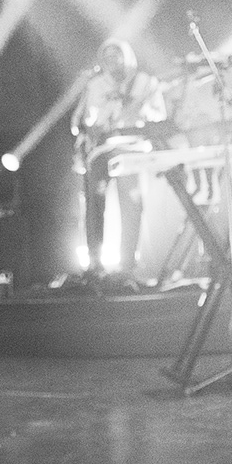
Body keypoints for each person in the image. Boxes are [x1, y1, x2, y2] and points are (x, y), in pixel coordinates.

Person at [72, 37, 164, 283]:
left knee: (132, 206)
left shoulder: (145, 83)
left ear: (127, 56)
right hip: (101, 150)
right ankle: (95, 265)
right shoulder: (95, 85)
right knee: (94, 206)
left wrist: (140, 110)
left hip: (131, 149)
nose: (112, 60)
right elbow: (80, 120)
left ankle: (127, 265)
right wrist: (91, 128)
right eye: (107, 56)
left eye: (116, 55)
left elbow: (159, 116)